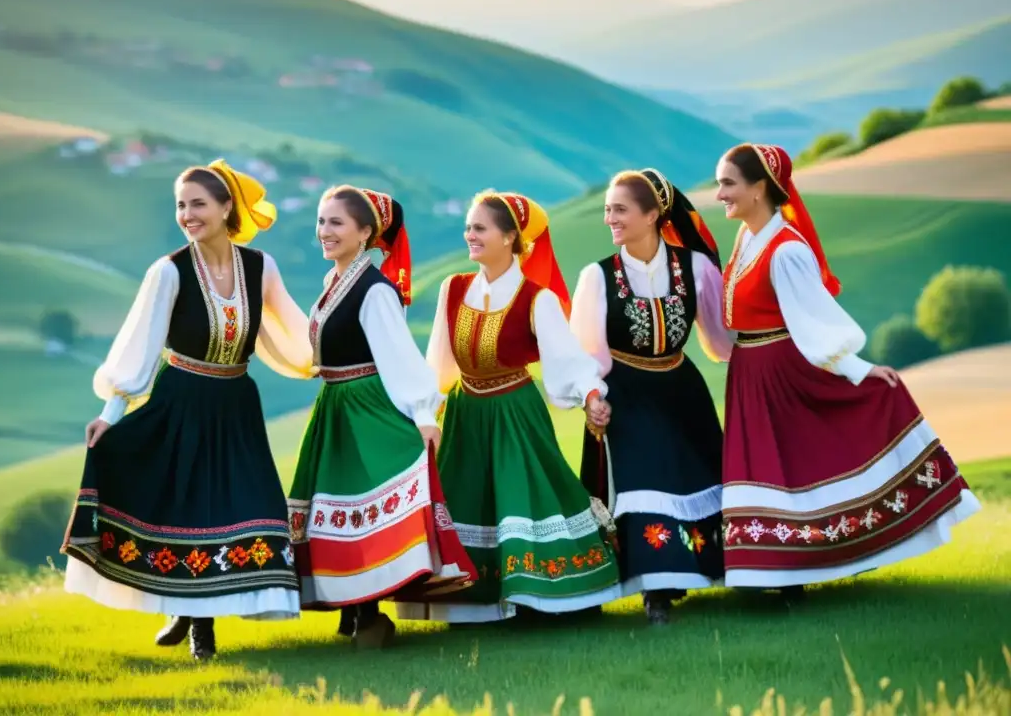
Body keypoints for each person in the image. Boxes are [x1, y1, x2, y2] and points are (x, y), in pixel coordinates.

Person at [62, 160, 313, 660]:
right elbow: (141, 345)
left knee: (251, 506)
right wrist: (110, 414)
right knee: (190, 510)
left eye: (198, 203)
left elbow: (295, 334)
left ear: (227, 209)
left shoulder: (261, 268)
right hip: (181, 403)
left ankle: (189, 609)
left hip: (237, 404)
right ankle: (200, 627)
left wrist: (341, 354)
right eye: (181, 204)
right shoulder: (169, 271)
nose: (187, 214)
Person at [715, 142, 981, 595]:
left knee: (789, 467)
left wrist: (857, 369)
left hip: (782, 372)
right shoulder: (747, 238)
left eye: (728, 183)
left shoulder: (785, 251)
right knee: (770, 466)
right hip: (751, 371)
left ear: (760, 188)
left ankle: (794, 572)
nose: (720, 193)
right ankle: (777, 569)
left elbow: (815, 322)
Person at [394, 190, 621, 625]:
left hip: (515, 414)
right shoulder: (453, 288)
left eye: (480, 228)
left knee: (525, 498)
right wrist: (426, 414)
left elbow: (567, 361)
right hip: (465, 414)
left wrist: (591, 396)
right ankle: (476, 599)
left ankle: (545, 597)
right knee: (469, 501)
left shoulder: (537, 299)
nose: (470, 235)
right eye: (469, 226)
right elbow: (437, 362)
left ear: (509, 237)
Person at [285, 185, 477, 649]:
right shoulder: (335, 284)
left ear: (365, 233)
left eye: (336, 223)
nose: (324, 231)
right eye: (321, 221)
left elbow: (398, 356)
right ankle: (354, 610)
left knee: (362, 508)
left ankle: (368, 614)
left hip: (365, 409)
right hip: (336, 408)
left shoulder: (374, 290)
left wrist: (422, 413)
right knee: (334, 510)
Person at [570, 168, 732, 624]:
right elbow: (586, 353)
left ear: (652, 214)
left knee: (697, 481)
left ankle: (695, 575)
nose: (610, 219)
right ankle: (655, 593)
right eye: (607, 210)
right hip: (628, 393)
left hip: (683, 392)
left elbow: (721, 341)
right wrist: (591, 396)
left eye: (619, 209)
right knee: (646, 484)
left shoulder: (696, 267)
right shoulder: (597, 277)